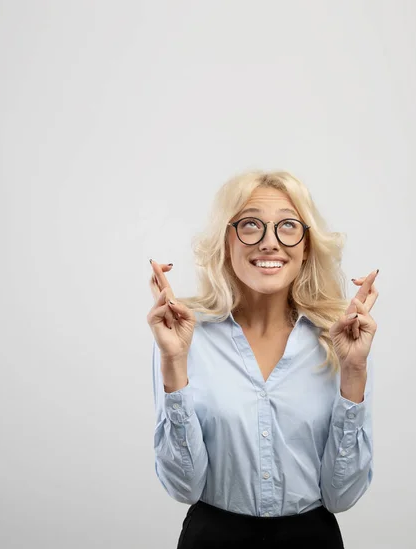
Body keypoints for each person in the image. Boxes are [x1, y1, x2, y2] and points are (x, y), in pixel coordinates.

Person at [147, 170, 379, 548]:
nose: (270, 243)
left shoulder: (340, 340)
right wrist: (173, 361)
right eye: (251, 225)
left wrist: (354, 370)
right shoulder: (186, 338)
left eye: (287, 226)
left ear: (306, 244)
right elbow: (184, 487)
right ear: (226, 240)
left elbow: (342, 496)